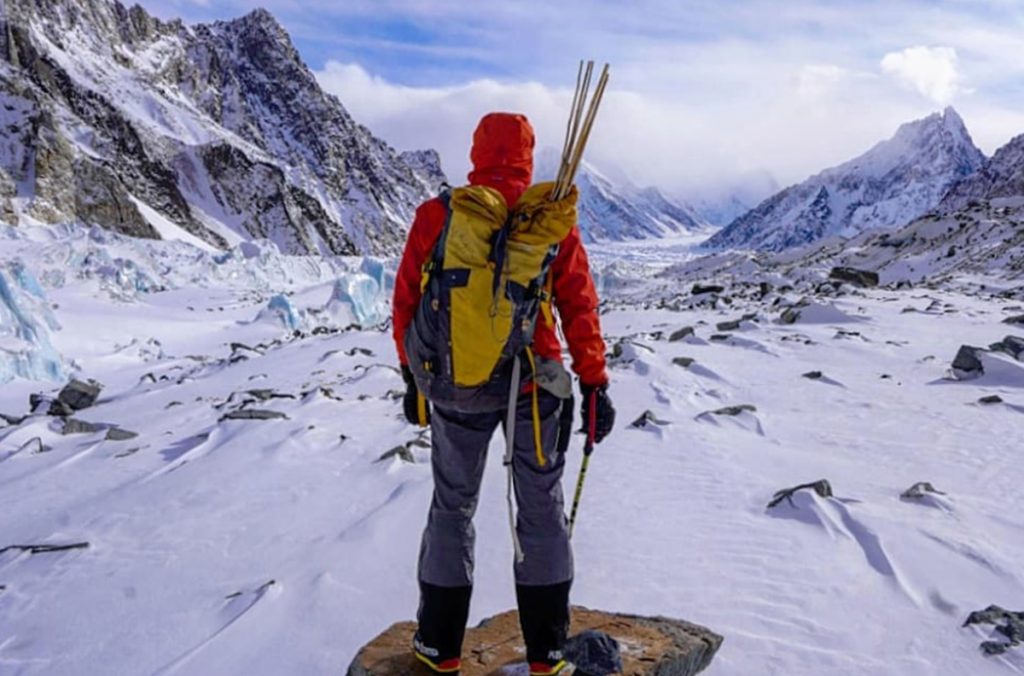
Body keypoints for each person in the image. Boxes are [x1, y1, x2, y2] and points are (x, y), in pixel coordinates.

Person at [391, 112, 615, 676]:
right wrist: (594, 382)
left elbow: (406, 303)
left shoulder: (440, 215)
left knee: (451, 508)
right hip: (535, 384)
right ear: (527, 155)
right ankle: (548, 653)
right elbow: (578, 303)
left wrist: (412, 377)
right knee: (540, 513)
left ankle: (439, 647)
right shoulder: (548, 217)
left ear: (476, 153)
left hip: (456, 386)